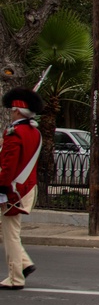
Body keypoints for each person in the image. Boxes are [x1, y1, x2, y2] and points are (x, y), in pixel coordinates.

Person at [0, 88, 44, 290]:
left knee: (10, 234)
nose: (10, 112)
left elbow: (8, 166)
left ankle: (16, 277)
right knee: (11, 231)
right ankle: (25, 264)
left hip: (13, 190)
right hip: (26, 188)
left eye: (12, 109)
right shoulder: (34, 132)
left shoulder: (14, 132)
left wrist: (2, 188)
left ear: (18, 111)